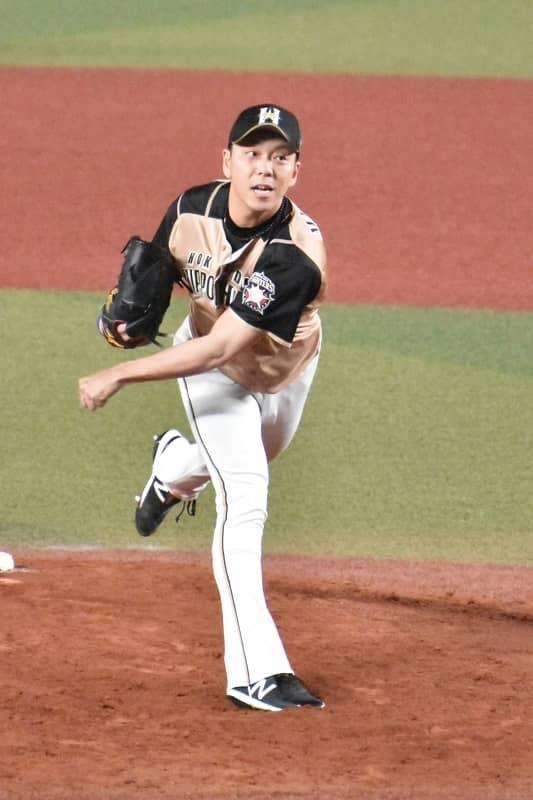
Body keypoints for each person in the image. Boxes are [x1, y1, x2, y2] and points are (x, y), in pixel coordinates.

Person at [79, 104, 327, 712]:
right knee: (245, 496)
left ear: (295, 171)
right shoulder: (192, 208)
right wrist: (129, 320)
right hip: (208, 370)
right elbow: (160, 280)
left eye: (279, 158)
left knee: (256, 458)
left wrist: (120, 373)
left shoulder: (294, 254)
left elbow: (227, 344)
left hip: (282, 373)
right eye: (252, 154)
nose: (264, 169)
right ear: (227, 161)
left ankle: (171, 471)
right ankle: (256, 672)